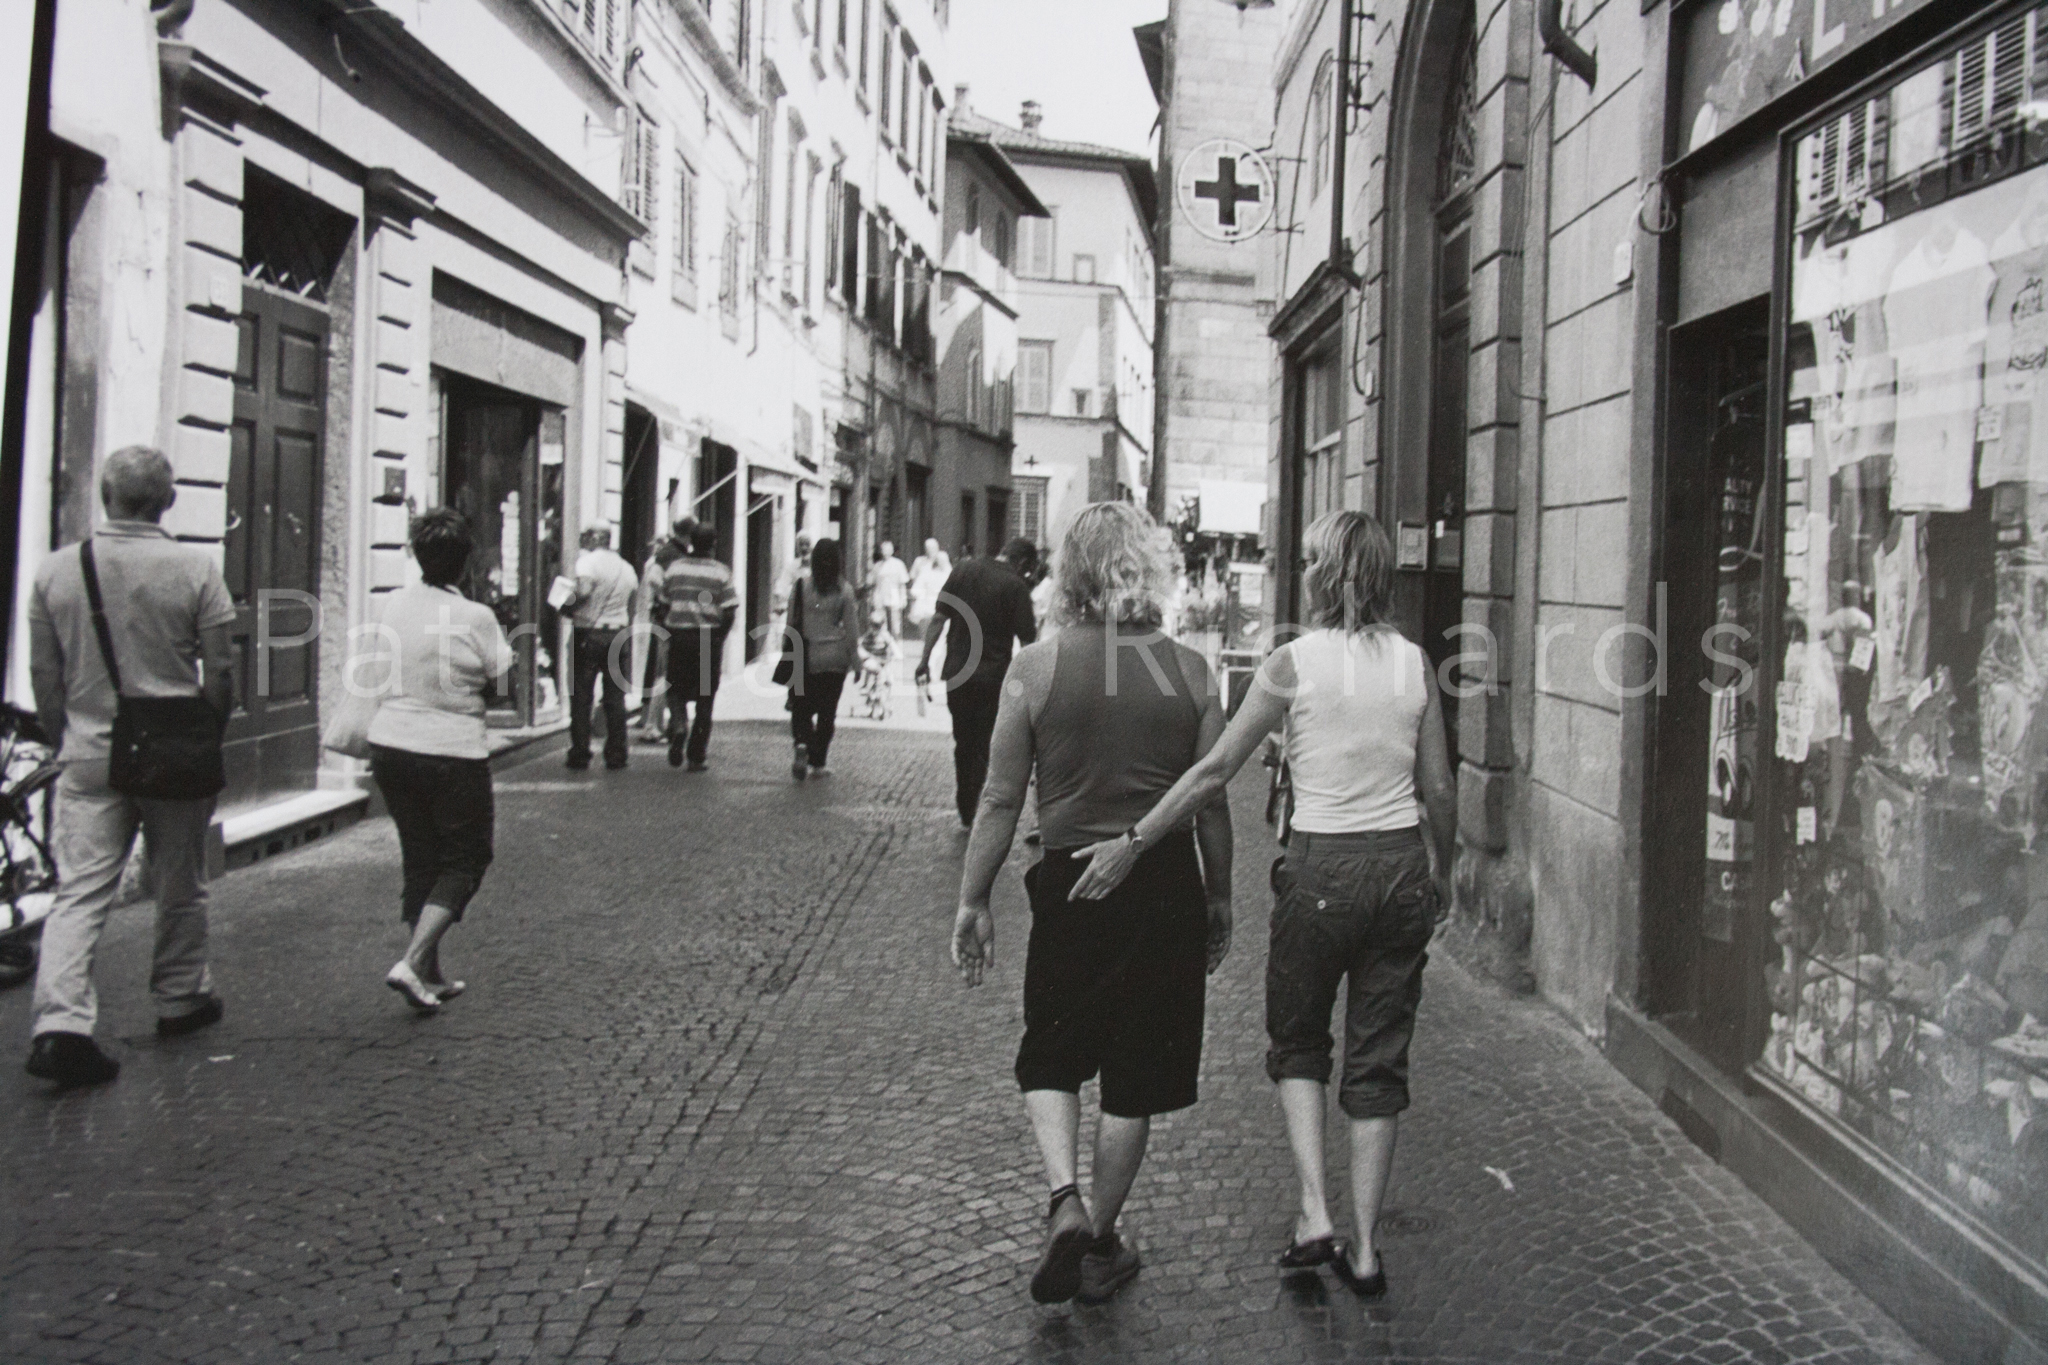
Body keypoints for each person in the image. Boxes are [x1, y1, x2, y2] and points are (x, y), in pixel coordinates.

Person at [1065, 509, 1456, 1299]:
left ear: (1324, 573)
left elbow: (1213, 772)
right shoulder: (1415, 663)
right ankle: (1369, 1250)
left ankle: (1315, 1212)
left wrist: (1134, 839)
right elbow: (1440, 787)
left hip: (1319, 872)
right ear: (1381, 576)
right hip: (1398, 866)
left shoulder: (1290, 663)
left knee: (1301, 1039)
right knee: (1379, 1056)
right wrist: (1439, 867)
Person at [950, 502, 1233, 1307]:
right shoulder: (1192, 674)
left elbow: (1001, 797)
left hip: (1071, 884)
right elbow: (1210, 804)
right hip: (1165, 881)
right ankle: (1101, 1240)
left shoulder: (1035, 668)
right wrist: (1220, 898)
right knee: (1136, 1075)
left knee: (1053, 1047)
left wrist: (973, 898)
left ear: (1068, 574)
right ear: (1153, 570)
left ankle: (1063, 1202)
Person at [23, 446, 236, 1086]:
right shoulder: (197, 568)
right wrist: (206, 733)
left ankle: (60, 1024)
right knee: (181, 879)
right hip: (173, 747)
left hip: (90, 749)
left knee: (80, 892)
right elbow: (220, 669)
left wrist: (68, 735)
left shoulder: (56, 571)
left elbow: (44, 671)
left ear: (105, 495)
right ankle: (179, 996)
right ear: (167, 500)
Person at [361, 509, 516, 1012]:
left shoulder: (391, 605)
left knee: (420, 857)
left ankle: (428, 973)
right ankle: (412, 960)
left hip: (390, 745)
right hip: (450, 751)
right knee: (467, 859)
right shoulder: (476, 616)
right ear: (465, 564)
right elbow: (504, 681)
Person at [917, 537, 1038, 827]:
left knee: (963, 738)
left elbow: (937, 620)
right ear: (1021, 563)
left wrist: (923, 661)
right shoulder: (1016, 585)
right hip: (993, 677)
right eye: (1028, 570)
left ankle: (965, 799)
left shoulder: (963, 569)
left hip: (957, 673)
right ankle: (974, 803)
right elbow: (1028, 640)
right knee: (985, 741)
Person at [663, 523, 739, 770]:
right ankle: (696, 756)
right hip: (708, 639)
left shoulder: (675, 569)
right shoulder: (721, 572)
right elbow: (730, 611)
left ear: (691, 542)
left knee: (675, 688)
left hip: (679, 636)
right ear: (713, 544)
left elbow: (663, 602)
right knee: (705, 697)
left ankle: (677, 724)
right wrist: (720, 637)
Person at [564, 525, 638, 771]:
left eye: (586, 535)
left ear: (597, 538)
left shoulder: (588, 562)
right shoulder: (627, 568)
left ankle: (580, 752)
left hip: (589, 633)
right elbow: (632, 608)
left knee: (581, 695)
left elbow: (583, 591)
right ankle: (617, 754)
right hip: (618, 633)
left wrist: (565, 606)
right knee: (615, 698)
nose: (583, 539)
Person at [787, 539, 859, 780]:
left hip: (805, 654)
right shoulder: (845, 590)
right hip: (834, 658)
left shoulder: (800, 586)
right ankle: (818, 763)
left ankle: (801, 744)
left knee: (802, 706)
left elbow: (790, 624)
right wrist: (856, 661)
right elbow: (851, 629)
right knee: (828, 712)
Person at [636, 531, 684, 743]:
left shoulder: (656, 565)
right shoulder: (655, 566)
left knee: (661, 674)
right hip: (664, 622)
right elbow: (654, 585)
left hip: (662, 621)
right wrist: (667, 598)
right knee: (662, 674)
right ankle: (652, 724)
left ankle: (657, 722)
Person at [907, 537, 951, 632]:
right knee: (925, 625)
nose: (930, 550)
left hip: (940, 599)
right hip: (924, 598)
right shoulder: (919, 561)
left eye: (932, 548)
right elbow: (914, 579)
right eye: (928, 548)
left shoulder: (943, 559)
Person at [871, 540, 909, 639]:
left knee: (895, 624)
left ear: (892, 551)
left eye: (888, 550)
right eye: (883, 550)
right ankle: (884, 647)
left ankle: (897, 648)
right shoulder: (877, 566)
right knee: (881, 623)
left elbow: (902, 583)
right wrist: (873, 597)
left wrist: (903, 598)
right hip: (880, 595)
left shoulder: (898, 564)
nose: (885, 553)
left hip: (894, 594)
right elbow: (874, 583)